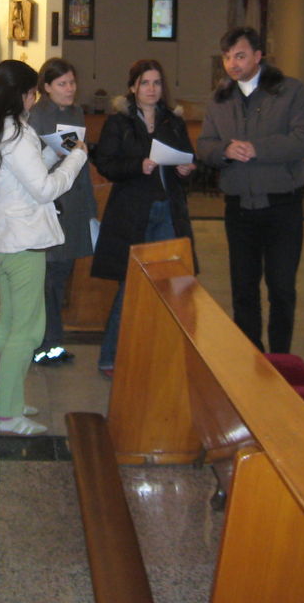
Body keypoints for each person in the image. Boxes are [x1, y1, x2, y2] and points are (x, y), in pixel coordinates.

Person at [0, 60, 87, 436]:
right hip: (23, 240)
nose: (34, 100)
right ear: (24, 95)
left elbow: (16, 174)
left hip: (2, 239)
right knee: (28, 330)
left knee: (9, 323)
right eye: (32, 94)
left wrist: (53, 154)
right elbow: (44, 189)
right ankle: (8, 414)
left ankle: (1, 399)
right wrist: (77, 156)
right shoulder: (15, 132)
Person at [196, 26, 304, 354]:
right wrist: (224, 150)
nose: (232, 64)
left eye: (239, 56)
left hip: (282, 206)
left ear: (258, 56)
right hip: (238, 208)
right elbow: (204, 145)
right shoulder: (220, 99)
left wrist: (258, 149)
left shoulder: (291, 92)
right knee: (243, 289)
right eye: (227, 57)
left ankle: (280, 358)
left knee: (281, 288)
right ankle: (249, 357)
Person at [92, 60, 196, 375]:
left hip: (167, 209)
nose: (152, 89)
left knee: (173, 282)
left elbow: (187, 159)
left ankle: (163, 354)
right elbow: (106, 163)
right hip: (133, 212)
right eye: (145, 83)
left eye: (157, 83)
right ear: (133, 87)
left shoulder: (172, 121)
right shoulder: (119, 122)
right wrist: (138, 165)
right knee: (132, 284)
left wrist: (186, 170)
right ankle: (111, 356)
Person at [27, 58, 96, 366]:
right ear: (46, 87)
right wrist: (54, 153)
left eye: (72, 82)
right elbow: (31, 164)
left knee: (61, 276)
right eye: (62, 84)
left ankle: (53, 341)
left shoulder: (76, 112)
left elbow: (81, 160)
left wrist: (90, 206)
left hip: (75, 199)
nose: (70, 89)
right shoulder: (36, 115)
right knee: (48, 278)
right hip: (50, 201)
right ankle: (44, 343)